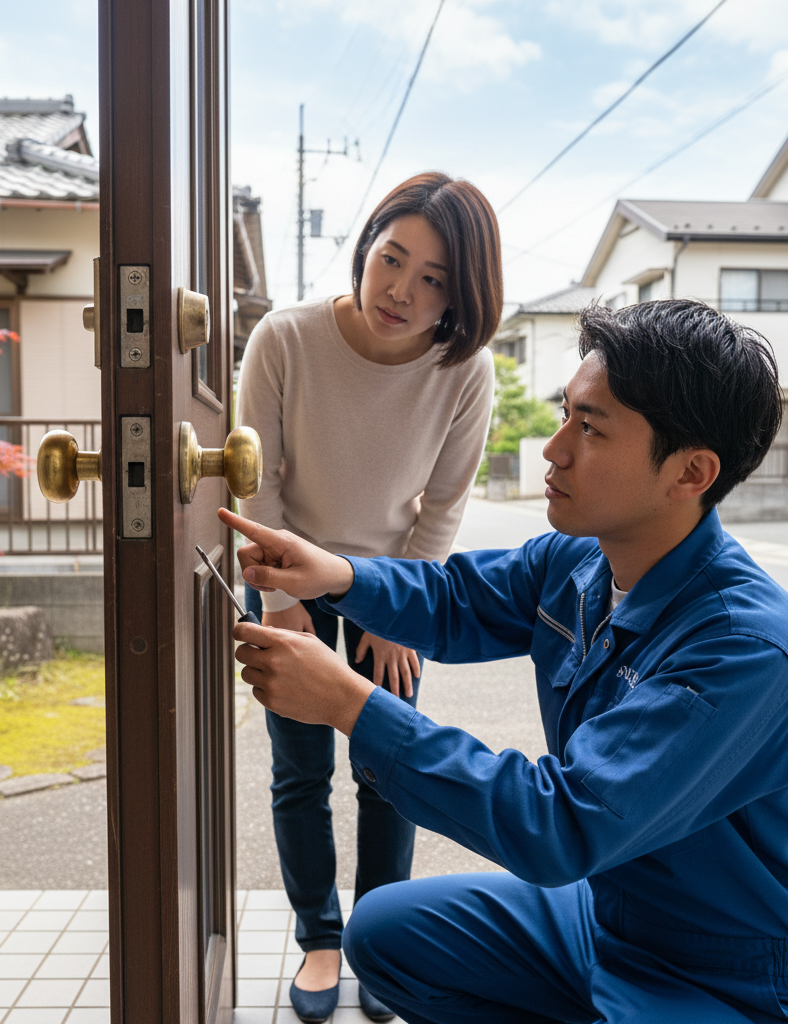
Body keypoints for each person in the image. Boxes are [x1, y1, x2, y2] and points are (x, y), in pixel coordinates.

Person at [223, 298, 788, 1024]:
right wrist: (337, 575)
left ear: (690, 473)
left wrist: (348, 704)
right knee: (387, 935)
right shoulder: (581, 558)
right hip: (609, 909)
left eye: (590, 428)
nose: (553, 449)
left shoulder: (743, 650)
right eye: (565, 415)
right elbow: (457, 599)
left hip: (729, 974)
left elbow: (560, 823)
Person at [235, 172, 502, 1022]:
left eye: (433, 279)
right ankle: (320, 938)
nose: (401, 291)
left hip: (390, 587)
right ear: (368, 247)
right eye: (392, 258)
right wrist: (281, 603)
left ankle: (382, 945)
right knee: (300, 772)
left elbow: (443, 505)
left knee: (390, 771)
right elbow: (256, 480)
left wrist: (401, 611)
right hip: (285, 576)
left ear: (461, 296)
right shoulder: (286, 337)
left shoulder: (464, 370)